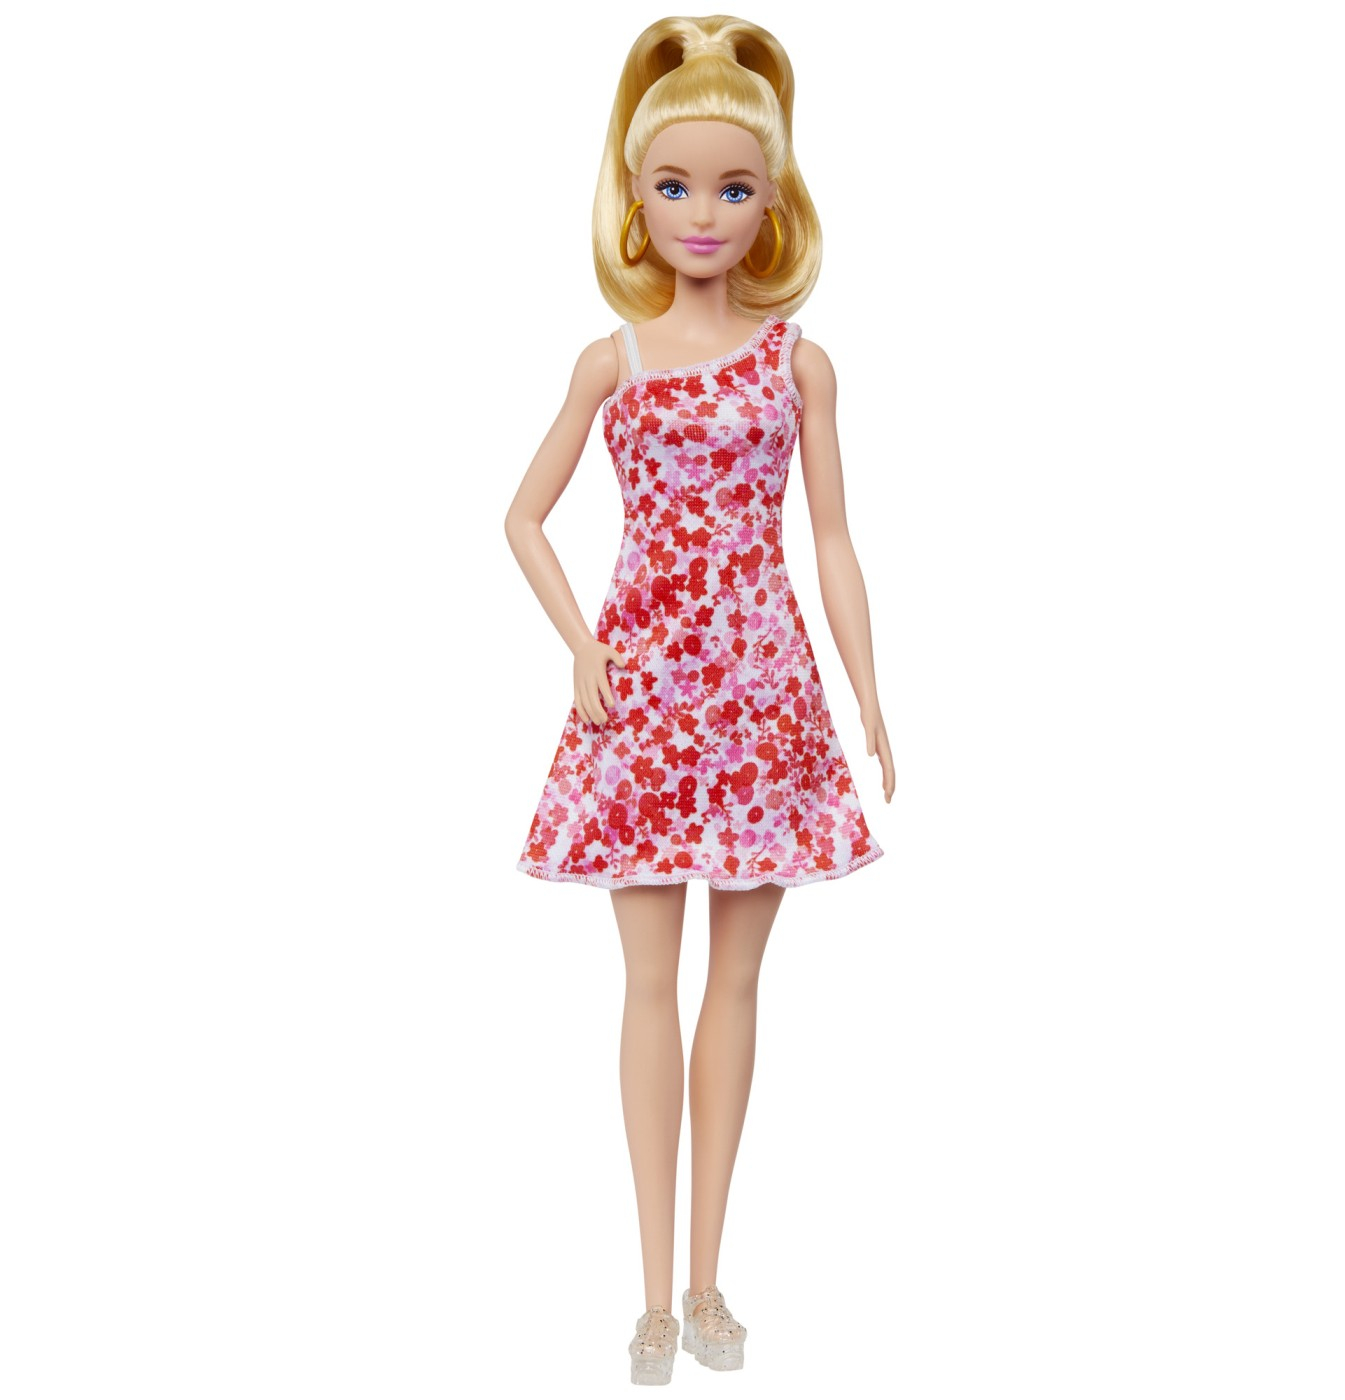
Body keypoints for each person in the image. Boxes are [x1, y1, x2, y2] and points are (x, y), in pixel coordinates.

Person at [504, 14, 896, 1384]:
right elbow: (522, 517)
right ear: (635, 196)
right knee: (646, 985)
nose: (704, 213)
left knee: (735, 985)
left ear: (773, 198)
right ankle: (648, 1296)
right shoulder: (610, 361)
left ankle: (709, 1280)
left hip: (762, 696)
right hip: (643, 700)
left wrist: (868, 687)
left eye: (732, 187)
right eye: (675, 186)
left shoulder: (800, 363)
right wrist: (580, 645)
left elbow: (831, 538)